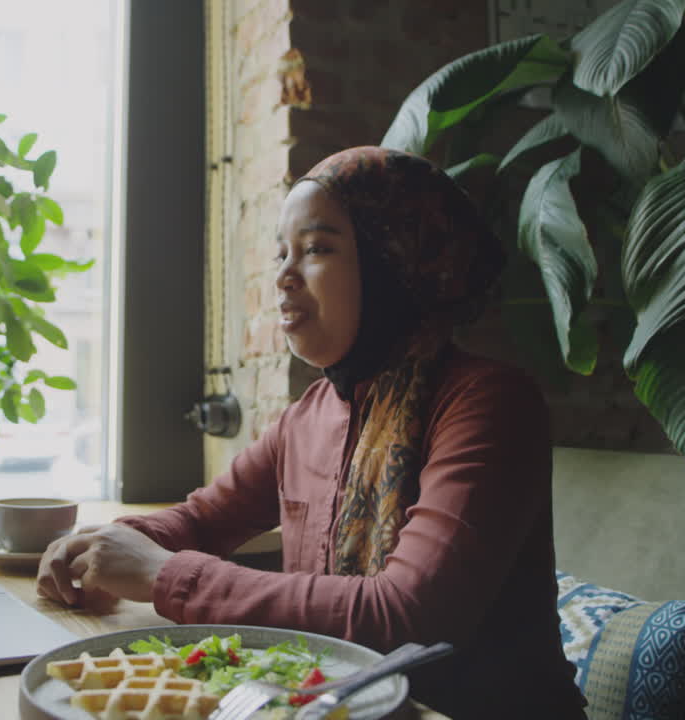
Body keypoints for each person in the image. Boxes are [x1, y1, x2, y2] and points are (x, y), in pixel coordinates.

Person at [37, 146, 586, 719]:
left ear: (394, 261)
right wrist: (106, 544)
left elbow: (405, 617)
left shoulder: (487, 404)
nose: (283, 275)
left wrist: (159, 573)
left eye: (317, 248)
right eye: (281, 253)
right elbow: (202, 521)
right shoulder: (309, 415)